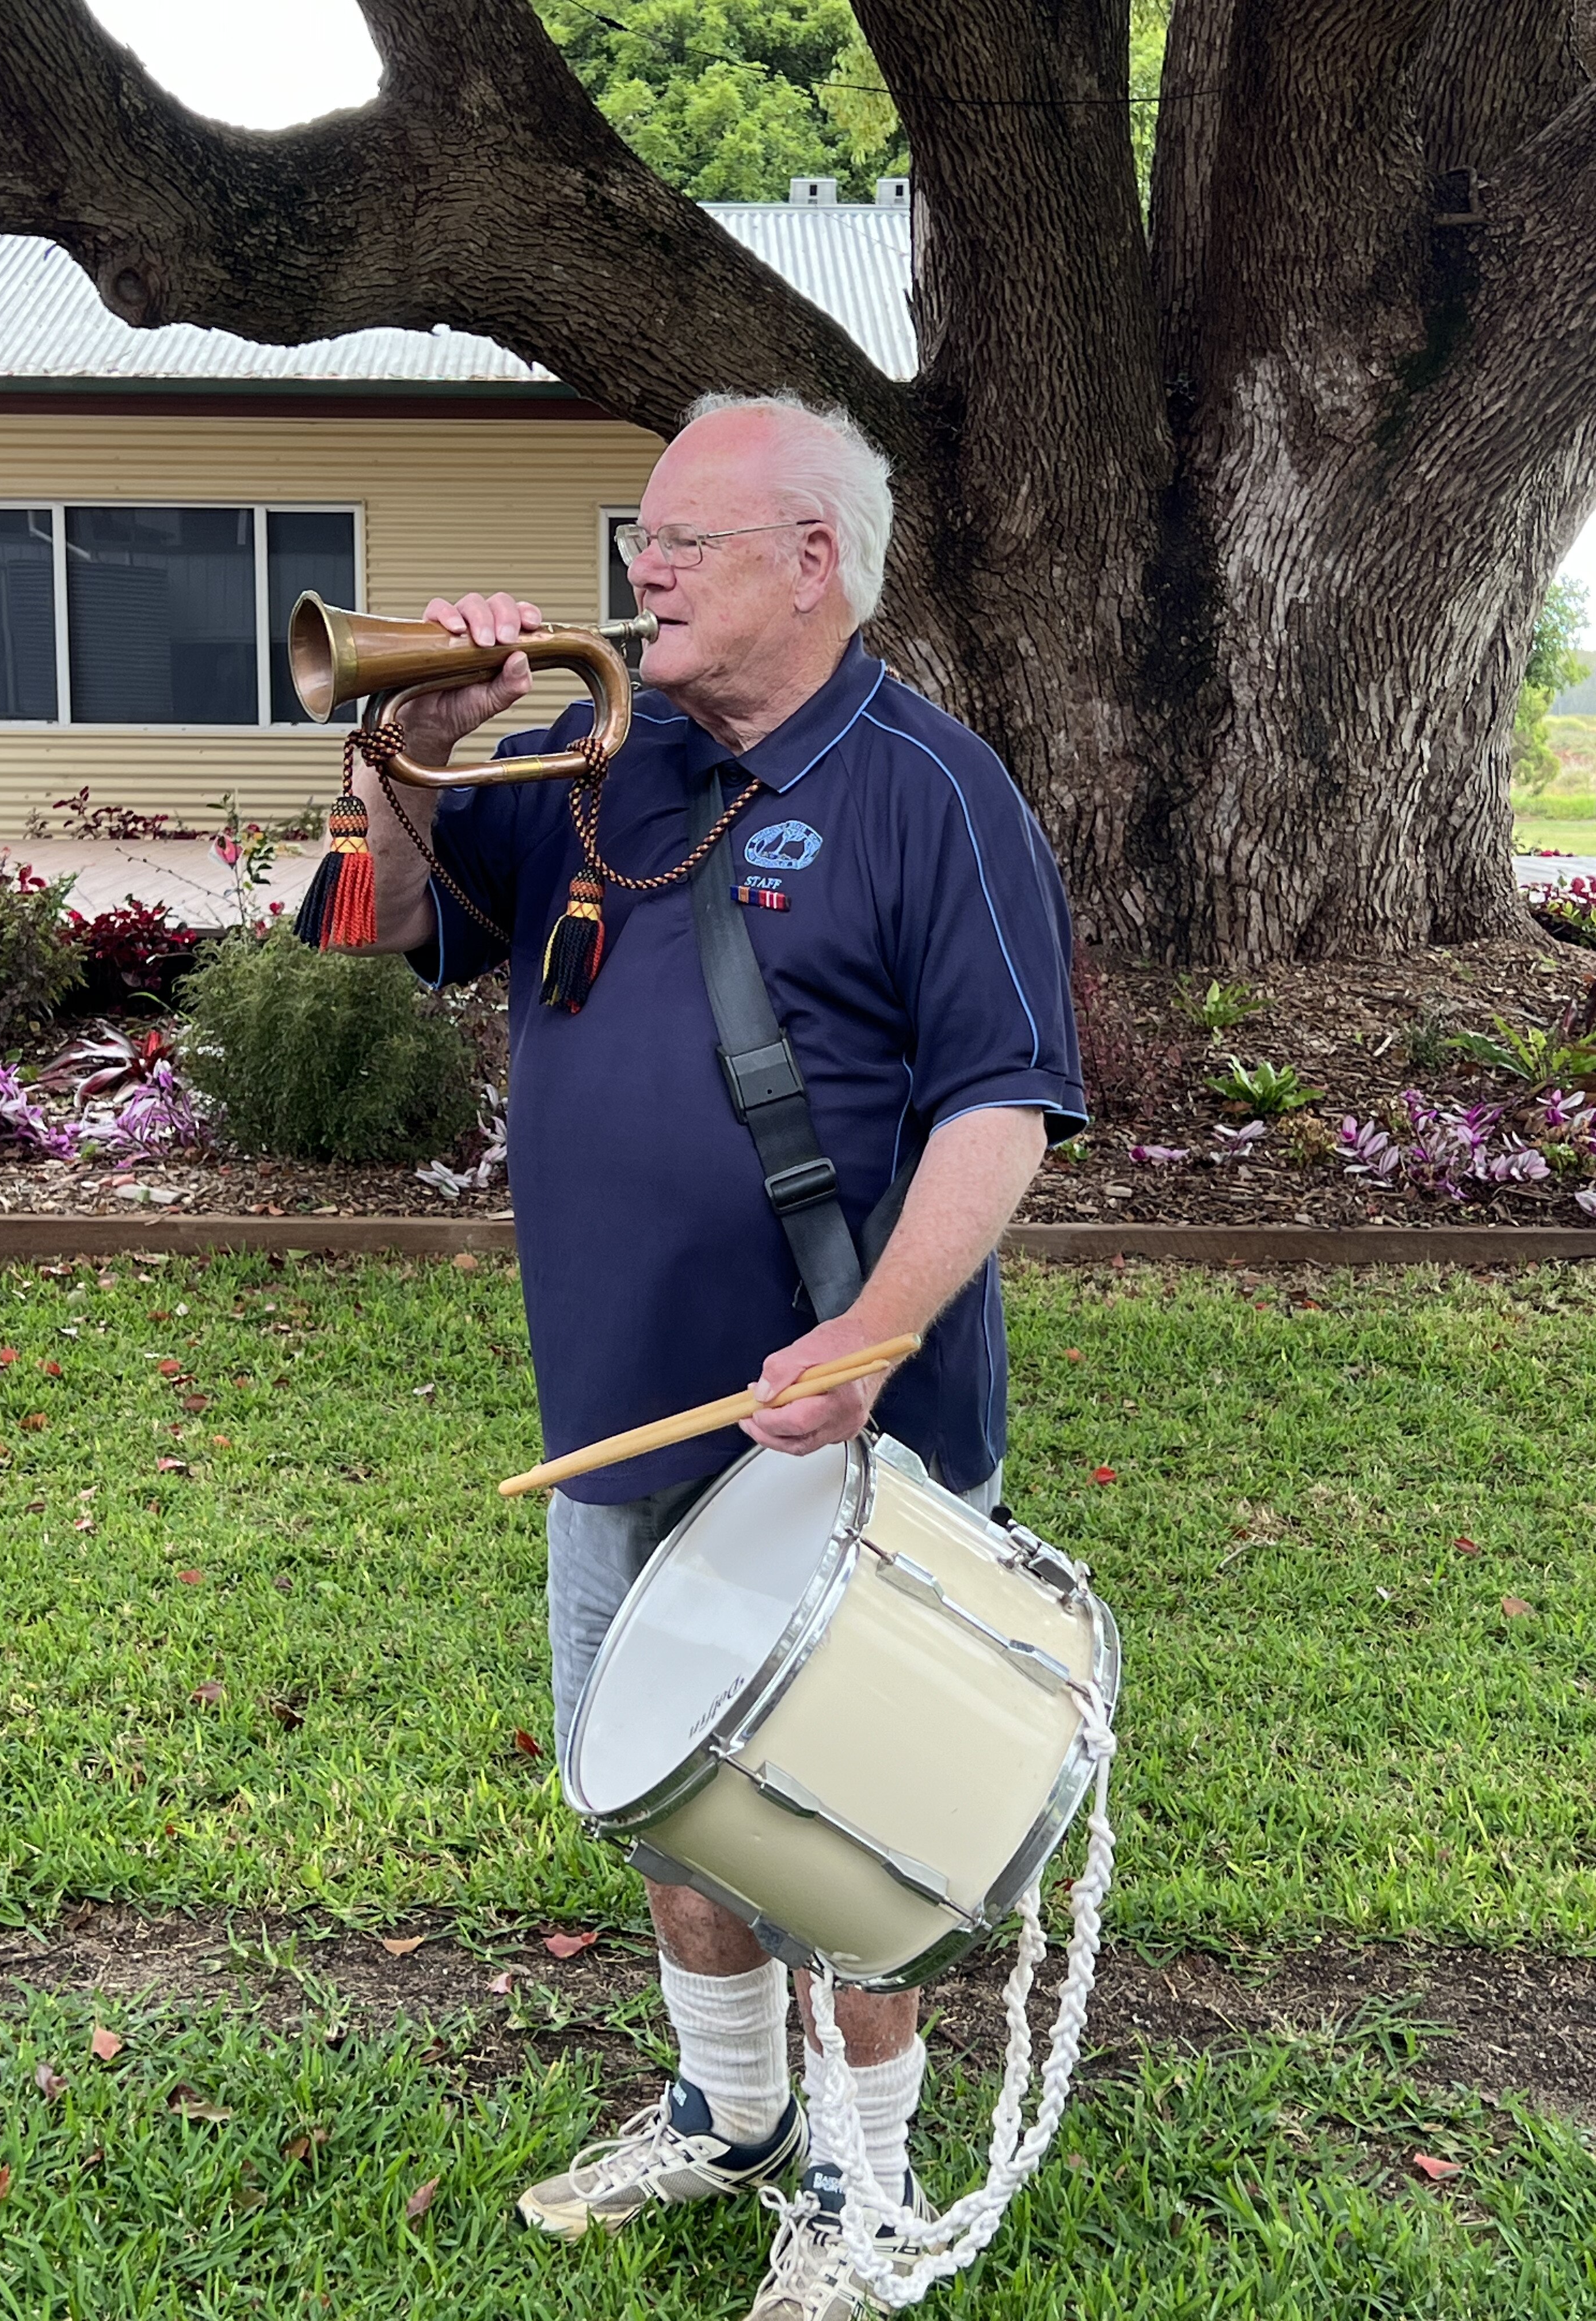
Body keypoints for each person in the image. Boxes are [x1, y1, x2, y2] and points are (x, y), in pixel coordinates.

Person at [340, 391, 1085, 2320]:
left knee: (854, 1826)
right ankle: (730, 2110)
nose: (639, 571)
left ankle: (861, 2190)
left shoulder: (938, 787)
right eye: (641, 541)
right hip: (620, 1406)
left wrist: (878, 1327)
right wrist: (402, 763)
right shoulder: (598, 754)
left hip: (857, 1430)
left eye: (684, 541)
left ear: (814, 562)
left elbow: (1002, 1103)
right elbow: (402, 928)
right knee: (663, 1793)